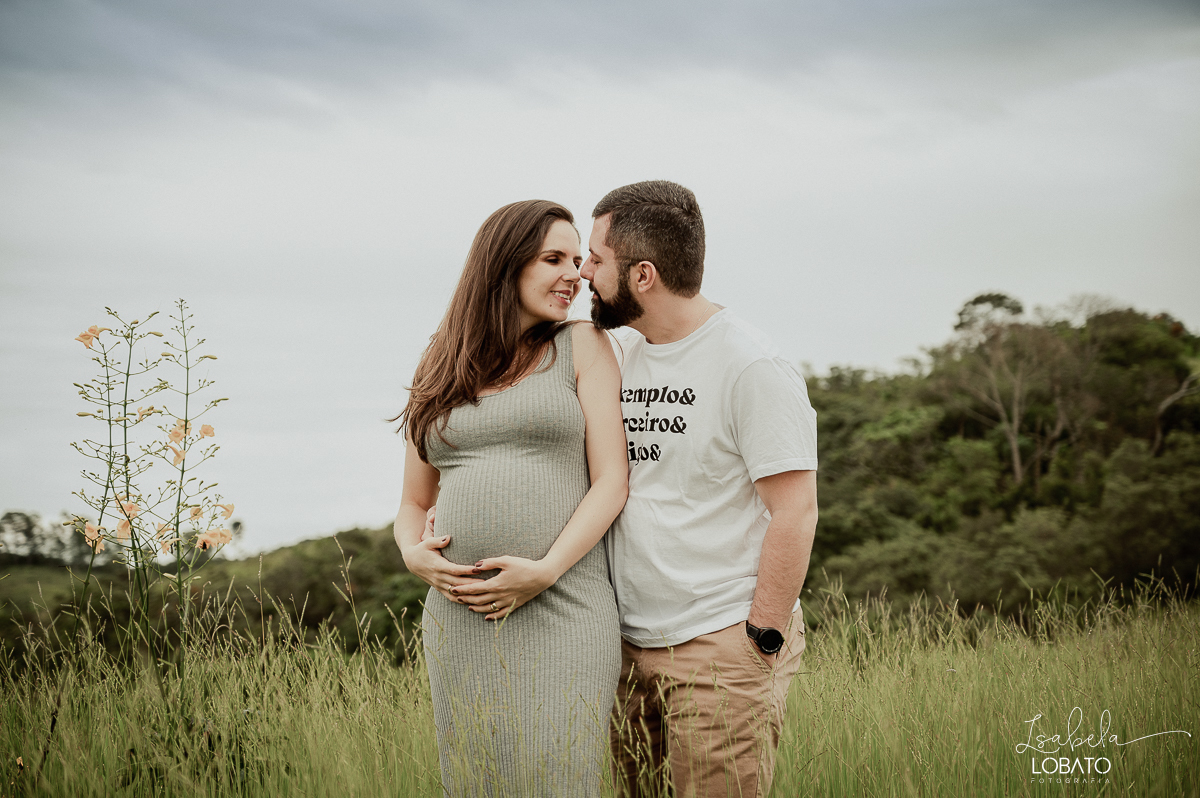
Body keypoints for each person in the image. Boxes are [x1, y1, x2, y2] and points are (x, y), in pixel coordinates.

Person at [581, 180, 819, 797]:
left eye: (595, 259)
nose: (584, 271)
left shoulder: (751, 367)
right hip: (626, 649)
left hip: (718, 649)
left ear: (642, 275)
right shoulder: (618, 352)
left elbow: (795, 512)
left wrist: (759, 639)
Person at [392, 199, 628, 796]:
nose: (575, 274)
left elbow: (612, 483)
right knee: (476, 784)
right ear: (504, 263)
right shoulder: (441, 363)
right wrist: (412, 554)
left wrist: (544, 571)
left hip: (564, 607)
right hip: (461, 617)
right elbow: (414, 503)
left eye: (578, 259)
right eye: (555, 258)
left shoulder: (584, 346)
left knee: (562, 780)